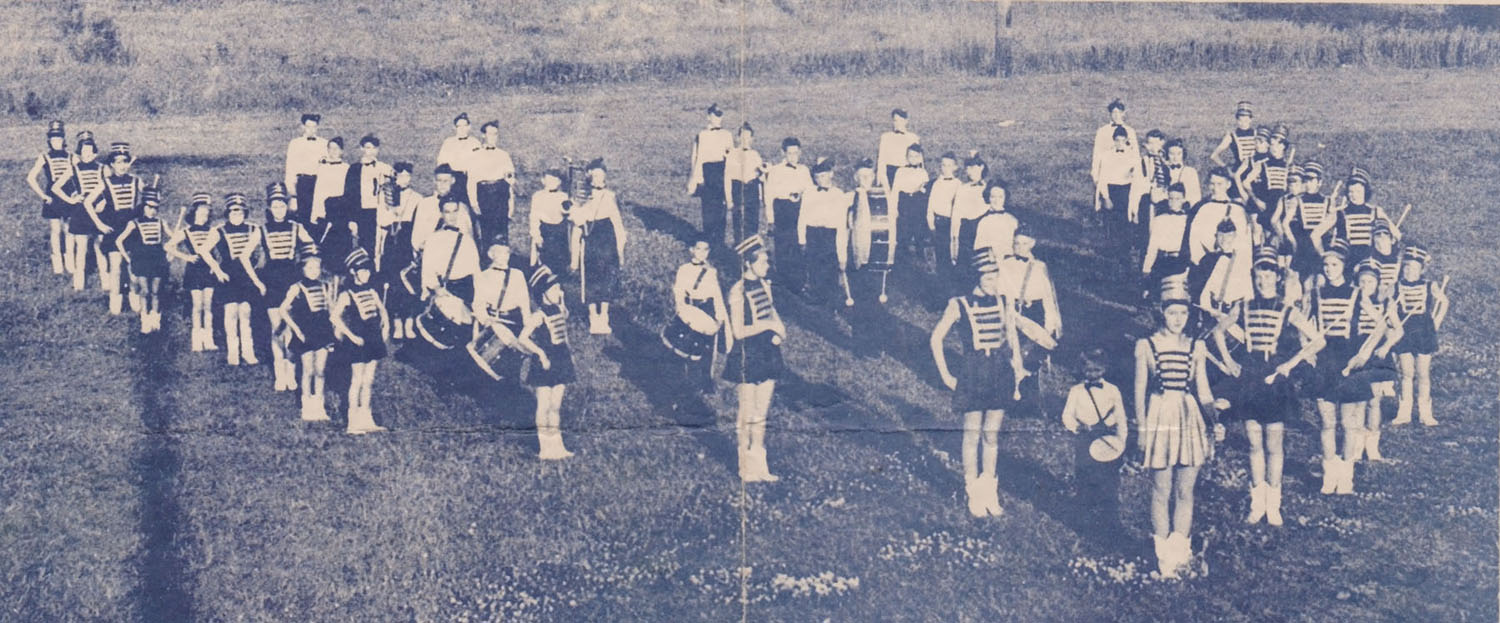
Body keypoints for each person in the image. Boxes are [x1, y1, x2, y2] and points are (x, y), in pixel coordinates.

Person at [931, 248, 1056, 518]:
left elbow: (1011, 336)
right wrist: (946, 375)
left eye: (995, 278)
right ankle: (973, 492)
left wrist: (1019, 369)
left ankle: (989, 490)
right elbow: (936, 338)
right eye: (987, 279)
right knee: (972, 434)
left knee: (991, 435)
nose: (993, 284)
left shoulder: (1003, 301)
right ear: (976, 277)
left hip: (1000, 373)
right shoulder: (958, 303)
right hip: (973, 373)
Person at [1215, 248, 1324, 526]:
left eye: (1269, 274)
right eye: (1259, 274)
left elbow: (1317, 340)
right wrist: (1229, 362)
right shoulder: (1244, 305)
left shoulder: (1288, 309)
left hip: (1276, 380)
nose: (1264, 280)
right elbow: (1217, 331)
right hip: (1250, 377)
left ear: (1278, 277)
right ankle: (1256, 504)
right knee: (1254, 443)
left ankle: (1274, 505)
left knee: (1274, 445)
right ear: (1254, 277)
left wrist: (1291, 363)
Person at [1135, 280, 1223, 579]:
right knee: (1161, 489)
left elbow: (1203, 390)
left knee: (1185, 490)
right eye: (1172, 313)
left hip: (1189, 418)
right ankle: (1164, 558)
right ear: (1162, 313)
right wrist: (1143, 429)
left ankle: (1179, 552)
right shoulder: (1146, 345)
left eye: (1182, 314)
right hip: (1160, 415)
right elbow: (1139, 392)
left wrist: (1214, 419)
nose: (1177, 319)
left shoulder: (1196, 346)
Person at [1302, 239, 1370, 495]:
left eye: (1334, 264)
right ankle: (1329, 476)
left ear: (1344, 266)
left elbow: (1383, 326)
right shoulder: (1316, 294)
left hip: (1349, 361)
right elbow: (1304, 325)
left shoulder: (1355, 293)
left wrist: (1364, 353)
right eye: (1326, 265)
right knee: (1327, 422)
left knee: (1349, 423)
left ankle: (1346, 477)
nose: (1329, 269)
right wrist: (1307, 352)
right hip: (1324, 361)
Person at [723, 236, 786, 482]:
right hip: (747, 354)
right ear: (749, 263)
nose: (767, 265)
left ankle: (761, 466)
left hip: (768, 353)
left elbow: (772, 312)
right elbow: (739, 331)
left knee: (761, 414)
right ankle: (744, 467)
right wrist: (768, 325)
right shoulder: (737, 291)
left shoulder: (765, 285)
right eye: (763, 261)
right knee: (746, 413)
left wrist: (780, 329)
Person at [1059, 348, 1128, 536]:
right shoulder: (1076, 391)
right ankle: (1084, 520)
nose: (1093, 375)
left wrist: (1121, 440)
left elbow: (1121, 417)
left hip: (1107, 437)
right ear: (1082, 370)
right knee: (1085, 477)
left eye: (1097, 371)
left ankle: (1111, 520)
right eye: (1089, 371)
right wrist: (1076, 427)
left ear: (1104, 369)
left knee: (1110, 480)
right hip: (1084, 437)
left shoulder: (1113, 391)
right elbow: (1067, 415)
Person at [262, 182, 317, 389]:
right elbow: (243, 256)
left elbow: (311, 248)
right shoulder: (263, 229)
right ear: (269, 208)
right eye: (275, 206)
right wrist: (258, 281)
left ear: (287, 207)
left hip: (291, 280)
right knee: (277, 328)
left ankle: (291, 372)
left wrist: (307, 267)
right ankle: (279, 374)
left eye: (282, 206)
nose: (279, 210)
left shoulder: (297, 227)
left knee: (291, 329)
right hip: (272, 281)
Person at [331, 248, 389, 435]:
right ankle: (352, 421)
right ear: (353, 272)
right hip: (358, 340)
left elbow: (382, 310)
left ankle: (366, 417)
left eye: (368, 271)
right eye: (362, 271)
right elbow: (334, 318)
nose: (366, 274)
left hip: (374, 338)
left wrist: (386, 326)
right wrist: (351, 335)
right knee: (356, 380)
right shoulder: (346, 294)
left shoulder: (372, 290)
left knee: (369, 380)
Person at [1349, 258, 1402, 463]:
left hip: (1379, 355)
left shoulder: (1385, 303)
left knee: (1374, 401)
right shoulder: (1353, 302)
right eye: (1362, 282)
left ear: (1378, 283)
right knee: (1359, 401)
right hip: (1358, 352)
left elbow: (1398, 331)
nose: (1365, 286)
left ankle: (1372, 447)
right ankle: (1356, 446)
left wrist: (1386, 346)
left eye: (1370, 282)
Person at [523, 265, 577, 459]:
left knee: (555, 406)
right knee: (543, 406)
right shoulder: (538, 315)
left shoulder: (559, 310)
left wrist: (570, 354)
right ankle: (544, 448)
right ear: (543, 293)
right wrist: (540, 354)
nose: (559, 292)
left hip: (561, 359)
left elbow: (564, 334)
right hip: (545, 363)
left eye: (559, 288)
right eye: (554, 289)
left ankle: (558, 445)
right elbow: (523, 338)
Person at [1390, 245, 1448, 427]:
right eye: (1406, 267)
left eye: (1414, 268)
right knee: (1406, 372)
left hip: (1424, 332)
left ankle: (1425, 412)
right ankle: (1404, 411)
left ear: (1422, 269)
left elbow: (1444, 301)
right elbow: (1390, 308)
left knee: (1423, 373)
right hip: (1404, 332)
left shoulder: (1430, 285)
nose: (1409, 271)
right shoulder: (1396, 286)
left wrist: (1436, 322)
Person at [664, 240, 729, 392]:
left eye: (706, 249)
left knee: (708, 349)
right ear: (691, 249)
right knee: (685, 344)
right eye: (699, 249)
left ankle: (705, 382)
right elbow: (679, 291)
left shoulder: (712, 271)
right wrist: (681, 309)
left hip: (707, 309)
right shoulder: (684, 269)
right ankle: (682, 380)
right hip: (690, 307)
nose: (702, 253)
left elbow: (717, 295)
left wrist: (719, 317)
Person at [571, 158, 626, 334]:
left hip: (607, 239)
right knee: (592, 277)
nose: (598, 179)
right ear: (589, 178)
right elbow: (577, 224)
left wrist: (620, 247)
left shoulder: (610, 196)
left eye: (601, 176)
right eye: (594, 176)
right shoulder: (581, 197)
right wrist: (574, 256)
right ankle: (593, 316)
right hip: (591, 239)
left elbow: (617, 223)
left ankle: (604, 315)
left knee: (608, 277)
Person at [279, 253, 336, 422]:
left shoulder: (326, 286)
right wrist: (296, 330)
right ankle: (307, 406)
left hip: (323, 332)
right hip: (305, 332)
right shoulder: (296, 287)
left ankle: (319, 405)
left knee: (320, 371)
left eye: (317, 268)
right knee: (308, 370)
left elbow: (331, 310)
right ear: (302, 269)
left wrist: (334, 329)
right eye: (309, 268)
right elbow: (283, 310)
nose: (313, 271)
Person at [166, 193, 226, 352]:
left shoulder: (213, 231)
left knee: (208, 305)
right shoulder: (186, 231)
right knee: (197, 305)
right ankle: (196, 339)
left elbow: (214, 252)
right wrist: (186, 256)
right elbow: (168, 246)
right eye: (200, 213)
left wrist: (216, 266)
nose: (203, 216)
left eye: (206, 214)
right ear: (193, 214)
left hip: (209, 270)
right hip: (194, 270)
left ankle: (209, 338)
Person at [212, 193, 267, 366]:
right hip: (229, 276)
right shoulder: (219, 230)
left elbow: (263, 248)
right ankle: (233, 352)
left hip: (247, 275)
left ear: (245, 213)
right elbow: (204, 251)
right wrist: (217, 270)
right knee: (230, 313)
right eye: (233, 212)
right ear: (227, 213)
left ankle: (248, 352)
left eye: (241, 212)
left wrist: (260, 263)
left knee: (245, 313)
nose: (237, 216)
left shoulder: (253, 228)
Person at [470, 242, 533, 382]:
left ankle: (510, 389)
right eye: (499, 252)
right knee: (486, 361)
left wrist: (527, 322)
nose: (504, 256)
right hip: (491, 321)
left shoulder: (518, 274)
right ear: (491, 255)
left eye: (507, 252)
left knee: (512, 363)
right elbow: (478, 303)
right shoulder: (482, 276)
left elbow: (524, 302)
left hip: (512, 320)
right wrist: (486, 321)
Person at [1312, 168, 1398, 265]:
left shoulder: (1376, 211)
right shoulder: (1339, 212)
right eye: (1351, 191)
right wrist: (1324, 256)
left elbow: (1396, 234)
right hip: (1346, 264)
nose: (1354, 195)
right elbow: (1315, 235)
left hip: (1369, 265)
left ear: (1365, 191)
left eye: (1358, 191)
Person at [57, 131, 109, 292]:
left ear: (95, 153)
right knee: (81, 248)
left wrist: (104, 202)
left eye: (90, 151)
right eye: (83, 152)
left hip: (100, 210)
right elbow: (56, 187)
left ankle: (105, 281)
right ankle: (79, 283)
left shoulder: (103, 169)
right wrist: (71, 199)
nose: (87, 155)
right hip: (81, 212)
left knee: (100, 246)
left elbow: (109, 189)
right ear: (79, 153)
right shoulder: (74, 168)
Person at [113, 187, 169, 334]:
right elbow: (119, 241)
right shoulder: (134, 223)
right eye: (150, 207)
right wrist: (127, 258)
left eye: (155, 208)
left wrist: (171, 253)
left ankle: (155, 319)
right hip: (141, 260)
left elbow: (174, 238)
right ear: (143, 207)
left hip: (158, 258)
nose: (153, 210)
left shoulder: (161, 222)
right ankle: (145, 320)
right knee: (145, 291)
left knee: (156, 291)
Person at [798, 158, 853, 306]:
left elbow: (842, 225)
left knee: (830, 268)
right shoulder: (809, 193)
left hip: (830, 235)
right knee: (814, 267)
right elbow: (802, 216)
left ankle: (831, 300)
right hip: (813, 235)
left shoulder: (838, 194)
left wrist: (842, 256)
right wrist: (802, 240)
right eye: (817, 177)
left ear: (831, 174)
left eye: (823, 176)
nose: (820, 180)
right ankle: (816, 297)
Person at [96, 142, 143, 315]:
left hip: (131, 228)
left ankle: (134, 297)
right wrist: (100, 224)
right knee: (115, 267)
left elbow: (147, 201)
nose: (122, 166)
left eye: (125, 161)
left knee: (133, 267)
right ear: (111, 165)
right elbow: (87, 203)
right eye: (118, 162)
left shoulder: (136, 181)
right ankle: (115, 302)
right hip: (114, 229)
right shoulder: (105, 183)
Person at [378, 163, 423, 341]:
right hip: (392, 240)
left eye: (407, 176)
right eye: (400, 176)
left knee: (409, 280)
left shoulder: (417, 198)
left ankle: (409, 322)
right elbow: (381, 220)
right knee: (393, 279)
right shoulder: (386, 195)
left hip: (407, 240)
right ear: (394, 177)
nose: (403, 179)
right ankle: (396, 323)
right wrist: (392, 213)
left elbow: (419, 224)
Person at [762, 137, 812, 290]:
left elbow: (810, 190)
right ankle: (784, 282)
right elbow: (768, 196)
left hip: (798, 210)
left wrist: (801, 195)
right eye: (790, 153)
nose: (793, 157)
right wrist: (770, 219)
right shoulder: (776, 171)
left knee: (798, 244)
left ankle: (799, 282)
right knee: (783, 246)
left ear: (800, 153)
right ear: (783, 153)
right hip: (782, 210)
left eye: (795, 153)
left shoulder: (804, 170)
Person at [26, 120, 72, 275]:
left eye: (59, 139)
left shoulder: (71, 156)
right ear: (49, 141)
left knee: (68, 228)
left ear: (64, 140)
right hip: (52, 195)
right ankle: (57, 262)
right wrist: (43, 195)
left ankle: (70, 261)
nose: (56, 142)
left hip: (68, 195)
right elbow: (31, 178)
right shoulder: (44, 157)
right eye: (53, 139)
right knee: (55, 229)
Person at [849, 159, 896, 303]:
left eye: (869, 176)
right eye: (861, 176)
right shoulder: (850, 196)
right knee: (858, 280)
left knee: (872, 285)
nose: (865, 180)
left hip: (875, 246)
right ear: (855, 178)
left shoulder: (881, 197)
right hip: (857, 247)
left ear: (874, 177)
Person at [688, 103, 733, 246]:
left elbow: (731, 156)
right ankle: (708, 239)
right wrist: (696, 178)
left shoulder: (727, 135)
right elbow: (697, 157)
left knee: (721, 208)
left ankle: (719, 241)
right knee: (708, 208)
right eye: (715, 116)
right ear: (708, 117)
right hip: (707, 173)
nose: (717, 119)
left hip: (721, 172)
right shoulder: (702, 135)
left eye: (720, 116)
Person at [421, 199, 482, 304]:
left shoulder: (467, 240)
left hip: (465, 289)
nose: (452, 216)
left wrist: (480, 299)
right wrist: (436, 288)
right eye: (447, 212)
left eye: (455, 211)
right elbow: (427, 269)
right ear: (441, 214)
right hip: (443, 288)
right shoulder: (433, 239)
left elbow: (476, 272)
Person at [467, 120, 517, 245]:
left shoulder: (504, 155)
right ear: (483, 135)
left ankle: (502, 260)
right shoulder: (475, 155)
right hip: (485, 195)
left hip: (500, 195)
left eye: (495, 134)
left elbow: (510, 181)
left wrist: (511, 204)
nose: (493, 137)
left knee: (502, 232)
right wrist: (474, 203)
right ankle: (488, 261)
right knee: (487, 231)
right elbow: (471, 181)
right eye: (490, 134)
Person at [949, 155, 989, 293]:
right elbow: (956, 214)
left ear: (982, 167)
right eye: (968, 168)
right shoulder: (963, 188)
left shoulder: (988, 188)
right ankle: (964, 296)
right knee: (964, 263)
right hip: (966, 229)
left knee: (982, 263)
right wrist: (954, 237)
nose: (970, 171)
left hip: (983, 229)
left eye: (974, 167)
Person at [1142, 183, 1193, 292]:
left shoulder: (1188, 220)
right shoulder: (1160, 219)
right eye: (1171, 198)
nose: (1174, 202)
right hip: (1163, 261)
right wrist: (1146, 269)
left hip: (1180, 262)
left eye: (1178, 199)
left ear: (1184, 200)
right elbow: (1152, 247)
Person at [411, 164, 472, 253]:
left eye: (445, 181)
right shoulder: (424, 204)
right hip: (428, 253)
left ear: (453, 181)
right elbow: (416, 235)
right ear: (434, 181)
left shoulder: (461, 207)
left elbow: (467, 236)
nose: (442, 185)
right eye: (439, 181)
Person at [348, 135, 393, 257]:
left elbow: (393, 190)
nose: (371, 151)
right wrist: (352, 219)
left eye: (374, 148)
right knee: (365, 245)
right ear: (362, 148)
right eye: (368, 148)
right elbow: (350, 196)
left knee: (381, 246)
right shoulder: (354, 169)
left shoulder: (385, 168)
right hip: (362, 212)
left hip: (380, 212)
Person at [1245, 125, 1293, 237]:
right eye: (1272, 144)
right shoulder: (1262, 164)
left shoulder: (1289, 165)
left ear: (1284, 146)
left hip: (1283, 206)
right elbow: (1246, 183)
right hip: (1268, 205)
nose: (1274, 148)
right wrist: (1257, 200)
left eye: (1278, 144)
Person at [925, 152, 962, 298]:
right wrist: (931, 225)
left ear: (955, 167)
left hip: (951, 224)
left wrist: (954, 228)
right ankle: (941, 294)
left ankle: (953, 293)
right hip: (938, 224)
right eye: (943, 165)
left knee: (952, 257)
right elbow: (930, 206)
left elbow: (958, 208)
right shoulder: (936, 183)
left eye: (949, 165)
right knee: (940, 259)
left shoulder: (958, 184)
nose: (946, 168)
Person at [1287, 161, 1332, 277]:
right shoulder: (1296, 200)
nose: (1308, 183)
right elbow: (1285, 223)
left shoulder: (1328, 201)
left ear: (1320, 182)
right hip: (1304, 247)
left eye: (1312, 180)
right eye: (1306, 180)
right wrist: (1293, 242)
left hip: (1322, 245)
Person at [725, 122, 767, 244]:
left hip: (752, 191)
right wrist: (729, 200)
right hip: (737, 190)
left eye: (748, 138)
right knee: (738, 225)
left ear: (752, 139)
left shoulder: (755, 155)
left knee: (753, 224)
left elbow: (760, 178)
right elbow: (727, 177)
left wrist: (760, 196)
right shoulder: (732, 154)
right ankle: (739, 254)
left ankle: (752, 254)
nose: (745, 140)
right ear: (738, 138)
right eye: (743, 137)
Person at [890, 144, 930, 268]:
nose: (913, 159)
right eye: (910, 156)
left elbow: (925, 190)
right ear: (906, 158)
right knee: (903, 232)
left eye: (916, 156)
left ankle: (920, 258)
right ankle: (901, 260)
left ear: (920, 158)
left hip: (917, 203)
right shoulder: (901, 171)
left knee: (918, 232)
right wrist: (894, 208)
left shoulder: (923, 172)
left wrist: (922, 190)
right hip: (904, 202)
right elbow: (895, 190)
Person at [284, 113, 327, 226]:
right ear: (303, 127)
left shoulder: (324, 143)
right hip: (303, 182)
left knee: (318, 214)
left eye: (314, 127)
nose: (311, 130)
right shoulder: (295, 144)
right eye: (308, 127)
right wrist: (292, 193)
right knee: (303, 215)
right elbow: (290, 167)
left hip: (318, 183)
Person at [529, 168, 572, 279]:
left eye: (555, 180)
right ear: (543, 181)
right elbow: (534, 217)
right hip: (545, 231)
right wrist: (536, 235)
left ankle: (559, 284)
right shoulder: (537, 196)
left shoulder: (564, 196)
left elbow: (568, 212)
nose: (552, 183)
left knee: (561, 260)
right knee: (545, 260)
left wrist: (569, 206)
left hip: (559, 232)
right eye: (549, 180)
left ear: (559, 182)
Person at [1094, 126, 1139, 222]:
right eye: (1117, 140)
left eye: (1123, 140)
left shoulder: (1132, 156)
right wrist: (1106, 197)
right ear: (1113, 140)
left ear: (1127, 140)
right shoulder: (1106, 155)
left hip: (1126, 191)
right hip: (1111, 190)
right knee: (1110, 221)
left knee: (1125, 220)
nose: (1120, 143)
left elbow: (1137, 176)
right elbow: (1102, 178)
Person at [1091, 98, 1137, 191]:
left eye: (1119, 112)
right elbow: (1097, 153)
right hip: (1108, 173)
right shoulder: (1103, 131)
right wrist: (1095, 175)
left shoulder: (1130, 131)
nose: (1116, 115)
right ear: (1110, 114)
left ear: (1123, 113)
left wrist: (1135, 172)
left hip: (1125, 175)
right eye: (1113, 113)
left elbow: (1135, 153)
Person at [436, 112, 479, 207]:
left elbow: (478, 163)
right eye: (459, 126)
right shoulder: (448, 142)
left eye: (464, 126)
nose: (462, 129)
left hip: (467, 179)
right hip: (452, 178)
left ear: (469, 127)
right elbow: (441, 162)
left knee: (467, 205)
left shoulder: (474, 143)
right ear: (455, 128)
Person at [876, 108, 920, 190]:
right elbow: (881, 159)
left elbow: (918, 158)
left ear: (906, 121)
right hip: (891, 173)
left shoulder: (913, 138)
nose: (898, 123)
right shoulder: (886, 137)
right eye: (895, 121)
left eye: (901, 120)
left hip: (907, 172)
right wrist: (880, 178)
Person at [1210, 101, 1257, 172]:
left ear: (1251, 119)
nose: (1243, 123)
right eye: (1240, 120)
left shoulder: (1257, 134)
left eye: (1246, 120)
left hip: (1256, 173)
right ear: (1236, 120)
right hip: (1238, 172)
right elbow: (1214, 155)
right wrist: (1227, 168)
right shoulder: (1231, 136)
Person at [1163, 139, 1202, 206]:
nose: (1175, 157)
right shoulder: (1163, 170)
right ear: (1167, 154)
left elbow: (1196, 197)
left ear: (1183, 154)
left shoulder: (1190, 172)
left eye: (1179, 154)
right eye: (1172, 154)